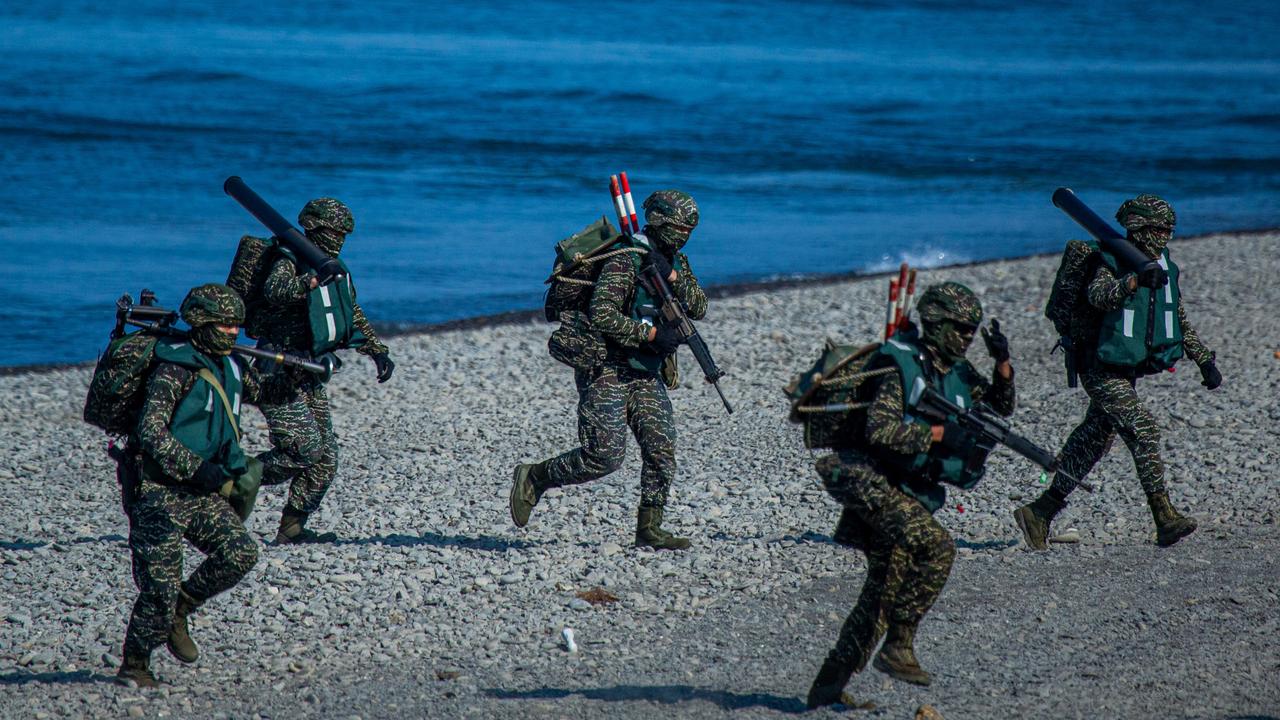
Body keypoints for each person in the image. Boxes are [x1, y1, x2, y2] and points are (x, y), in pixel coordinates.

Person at [806, 283, 1015, 708]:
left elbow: (1000, 407)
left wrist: (1002, 362)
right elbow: (879, 432)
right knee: (937, 548)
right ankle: (899, 647)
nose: (966, 338)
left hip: (906, 487)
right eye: (960, 329)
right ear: (935, 323)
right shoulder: (899, 365)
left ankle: (825, 691)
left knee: (882, 593)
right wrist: (939, 433)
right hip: (869, 479)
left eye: (972, 331)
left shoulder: (956, 372)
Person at [1015, 194, 1220, 549]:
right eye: (1160, 230)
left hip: (1125, 368)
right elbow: (1098, 295)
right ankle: (1165, 517)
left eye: (1170, 230)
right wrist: (1132, 282)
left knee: (1093, 440)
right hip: (1099, 366)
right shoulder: (1112, 260)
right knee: (1143, 429)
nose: (1167, 236)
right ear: (1140, 228)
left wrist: (1204, 360)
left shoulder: (1161, 262)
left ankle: (1039, 512)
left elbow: (1177, 316)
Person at [510, 190, 708, 550]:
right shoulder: (625, 259)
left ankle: (650, 526)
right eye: (680, 228)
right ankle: (535, 477)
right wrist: (649, 333)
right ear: (662, 221)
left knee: (661, 448)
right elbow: (602, 315)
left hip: (645, 371)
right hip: (606, 367)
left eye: (690, 230)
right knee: (604, 457)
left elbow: (699, 307)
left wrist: (675, 277)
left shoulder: (675, 260)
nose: (685, 236)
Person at [117, 284, 267, 687]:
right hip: (158, 494)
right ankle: (135, 664)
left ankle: (183, 608)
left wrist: (306, 367)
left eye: (238, 326)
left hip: (200, 494)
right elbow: (150, 431)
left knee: (240, 553)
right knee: (157, 592)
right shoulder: (173, 369)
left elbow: (265, 392)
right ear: (202, 322)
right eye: (225, 325)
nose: (234, 332)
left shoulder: (229, 366)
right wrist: (196, 468)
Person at [252, 198, 394, 543]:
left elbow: (350, 309)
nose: (340, 240)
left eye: (344, 235)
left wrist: (376, 349)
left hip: (309, 369)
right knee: (302, 449)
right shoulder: (288, 257)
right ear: (315, 228)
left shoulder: (333, 265)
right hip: (276, 369)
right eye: (335, 233)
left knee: (326, 459)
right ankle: (225, 481)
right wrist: (310, 281)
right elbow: (274, 291)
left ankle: (291, 528)